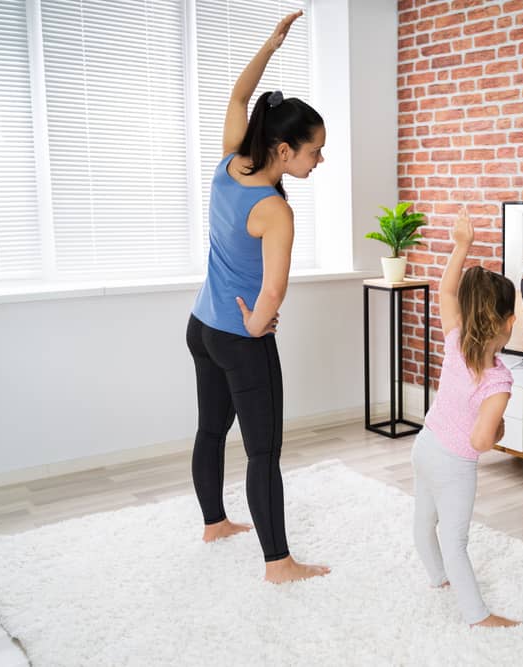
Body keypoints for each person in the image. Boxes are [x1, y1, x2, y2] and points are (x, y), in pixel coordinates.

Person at [186, 10, 330, 583]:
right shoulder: (275, 210)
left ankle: (215, 522)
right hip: (240, 340)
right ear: (284, 149)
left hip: (201, 327)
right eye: (314, 151)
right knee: (263, 452)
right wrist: (257, 324)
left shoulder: (229, 163)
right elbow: (273, 289)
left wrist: (270, 46)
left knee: (210, 430)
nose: (319, 160)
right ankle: (279, 563)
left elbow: (239, 95)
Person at [412, 206, 521, 628]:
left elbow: (445, 292)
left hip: (425, 446)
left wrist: (461, 247)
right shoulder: (499, 381)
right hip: (455, 464)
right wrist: (500, 429)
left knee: (424, 520)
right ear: (509, 321)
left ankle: (438, 577)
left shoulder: (455, 341)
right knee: (455, 539)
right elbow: (480, 441)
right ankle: (477, 615)